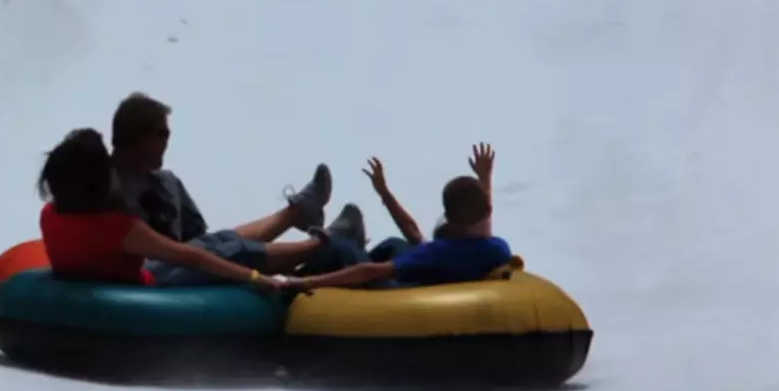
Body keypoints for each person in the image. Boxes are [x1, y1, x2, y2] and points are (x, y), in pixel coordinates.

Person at [107, 92, 335, 285]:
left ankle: (296, 213)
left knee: (220, 243)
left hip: (180, 263)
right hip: (141, 274)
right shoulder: (99, 183)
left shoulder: (166, 184)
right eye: (163, 134)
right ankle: (326, 243)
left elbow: (202, 241)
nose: (167, 141)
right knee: (225, 251)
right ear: (139, 135)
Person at [37, 128, 292, 291]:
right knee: (232, 251)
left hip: (142, 271)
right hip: (156, 286)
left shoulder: (49, 216)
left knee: (214, 242)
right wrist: (255, 279)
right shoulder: (119, 228)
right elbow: (192, 258)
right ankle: (318, 245)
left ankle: (293, 215)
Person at [288, 142, 513, 290]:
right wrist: (485, 179)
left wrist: (300, 283)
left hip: (401, 291)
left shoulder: (439, 252)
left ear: (451, 224)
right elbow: (480, 221)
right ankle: (351, 247)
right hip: (436, 275)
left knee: (342, 246)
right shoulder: (496, 249)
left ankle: (311, 264)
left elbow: (371, 270)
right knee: (395, 244)